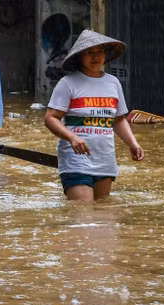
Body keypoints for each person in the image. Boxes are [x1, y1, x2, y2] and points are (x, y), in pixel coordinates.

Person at [44, 30, 144, 202]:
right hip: (75, 161)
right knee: (84, 215)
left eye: (99, 51)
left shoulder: (113, 83)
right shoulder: (68, 83)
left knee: (102, 215)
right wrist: (72, 138)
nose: (95, 56)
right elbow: (50, 118)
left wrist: (132, 143)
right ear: (79, 57)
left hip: (104, 160)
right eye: (89, 52)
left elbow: (119, 120)